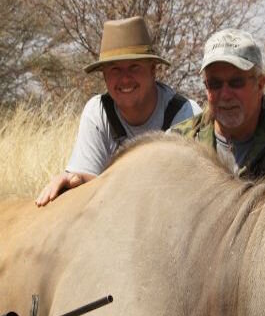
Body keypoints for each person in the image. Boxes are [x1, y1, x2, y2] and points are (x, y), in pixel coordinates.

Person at [36, 16, 200, 207]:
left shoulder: (185, 114)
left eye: (134, 67)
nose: (125, 79)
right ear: (104, 76)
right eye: (115, 69)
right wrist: (74, 180)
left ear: (153, 70)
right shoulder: (98, 112)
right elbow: (87, 179)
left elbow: (187, 192)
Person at [171, 29, 265, 182]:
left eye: (236, 82)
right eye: (215, 84)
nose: (225, 95)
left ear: (260, 85)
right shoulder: (178, 143)